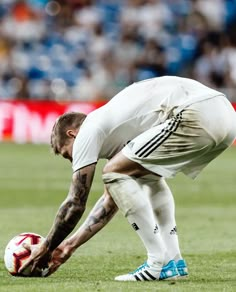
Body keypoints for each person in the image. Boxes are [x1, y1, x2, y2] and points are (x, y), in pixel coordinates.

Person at [20, 76, 236, 281]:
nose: (72, 163)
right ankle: (173, 262)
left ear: (72, 135)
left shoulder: (88, 129)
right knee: (147, 177)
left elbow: (75, 203)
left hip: (196, 110)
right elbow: (112, 198)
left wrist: (46, 246)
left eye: (68, 154)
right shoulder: (118, 128)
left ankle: (156, 262)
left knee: (114, 172)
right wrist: (68, 247)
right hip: (225, 113)